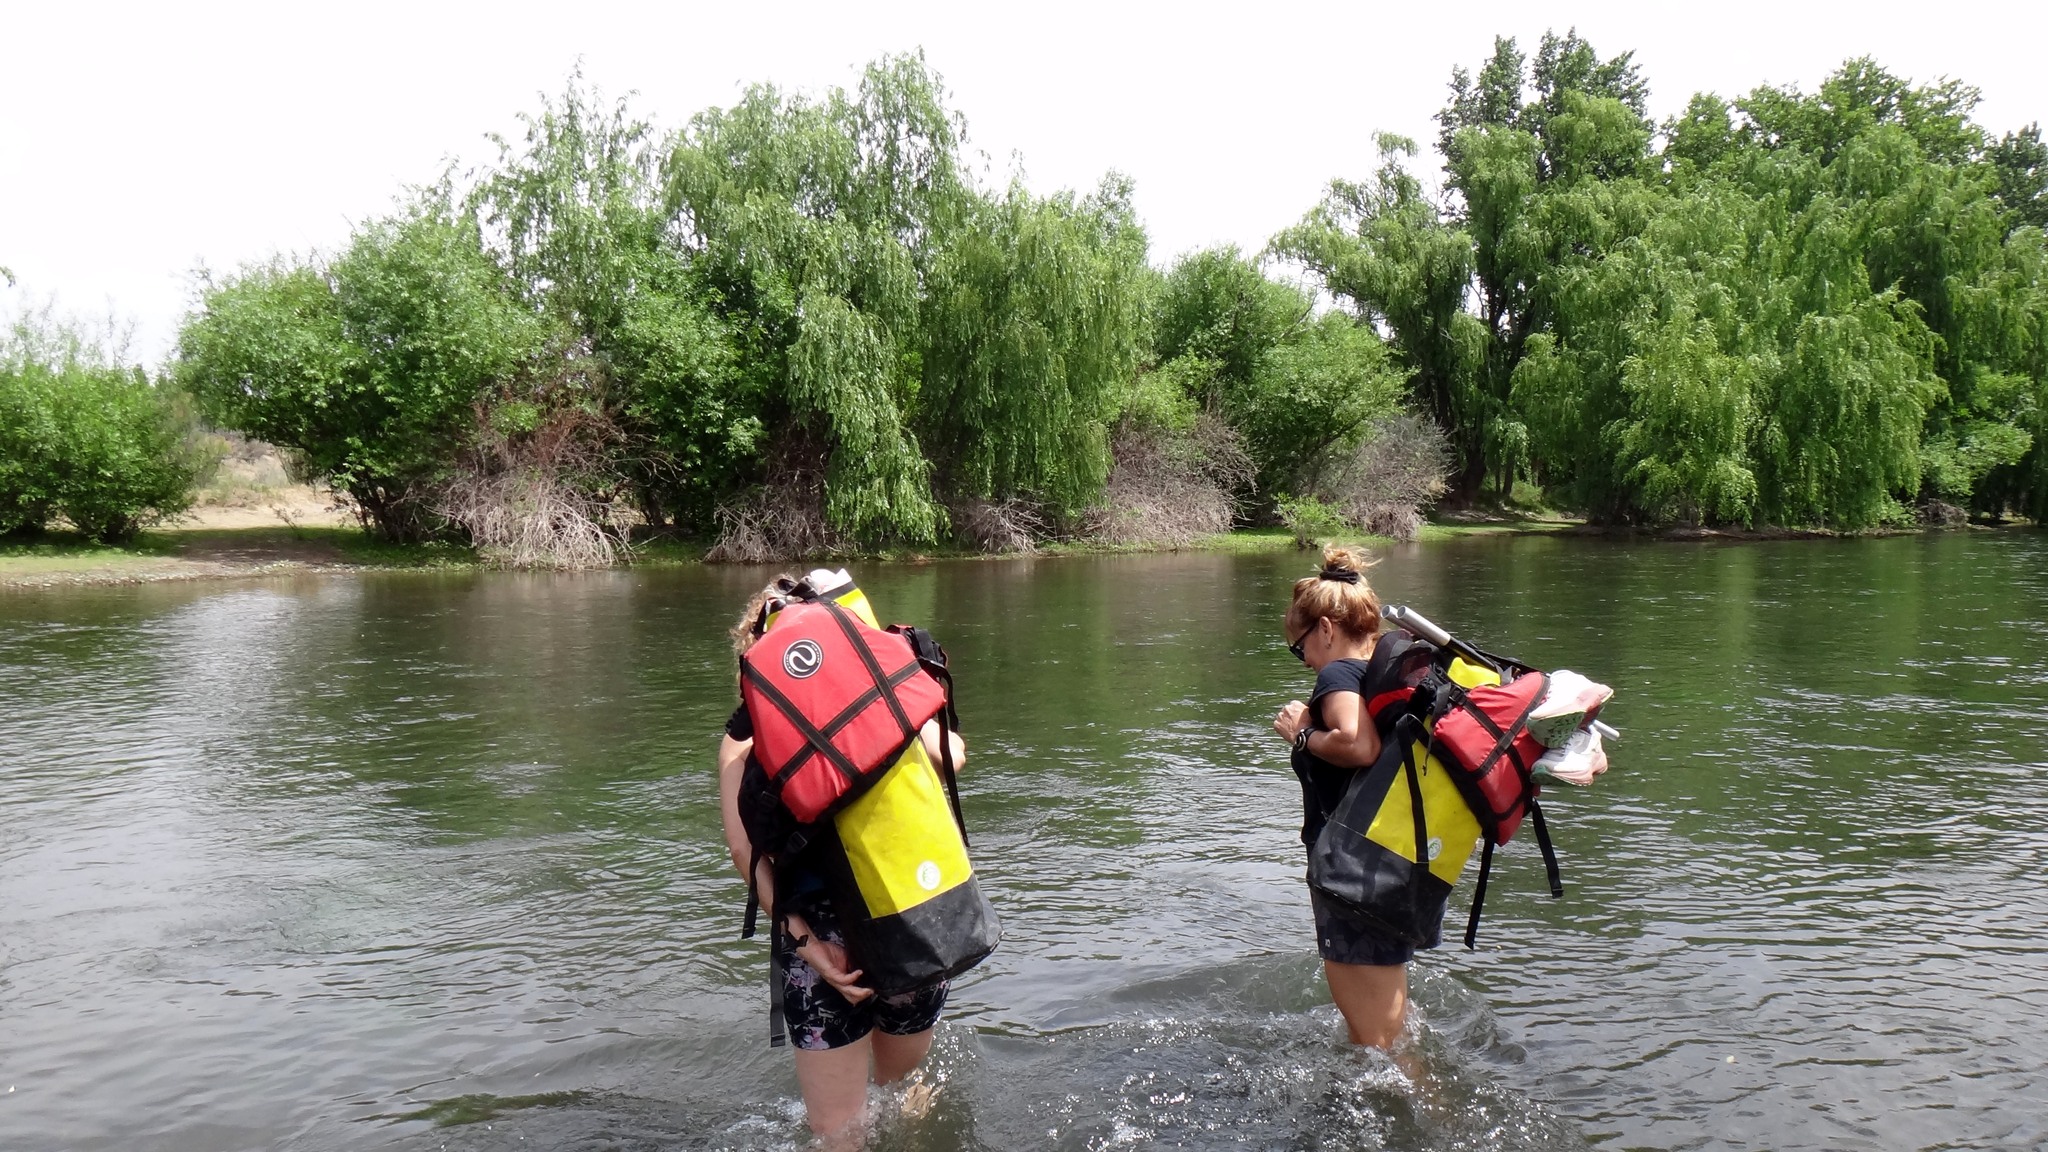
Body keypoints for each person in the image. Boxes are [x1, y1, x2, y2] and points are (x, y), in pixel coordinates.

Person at [716, 577, 968, 1148]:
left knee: (839, 1130)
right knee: (906, 1091)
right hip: (912, 916)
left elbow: (744, 852)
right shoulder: (886, 696)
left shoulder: (743, 736)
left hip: (823, 942)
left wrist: (810, 949)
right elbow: (953, 756)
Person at [1269, 545, 1420, 1049]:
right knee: (1386, 1033)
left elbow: (1357, 745)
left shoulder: (1337, 675)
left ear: (1327, 629)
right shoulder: (1377, 672)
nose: (1306, 661)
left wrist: (1301, 735)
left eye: (1300, 648)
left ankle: (1423, 1118)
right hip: (1393, 866)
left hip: (1354, 878)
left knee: (1377, 1042)